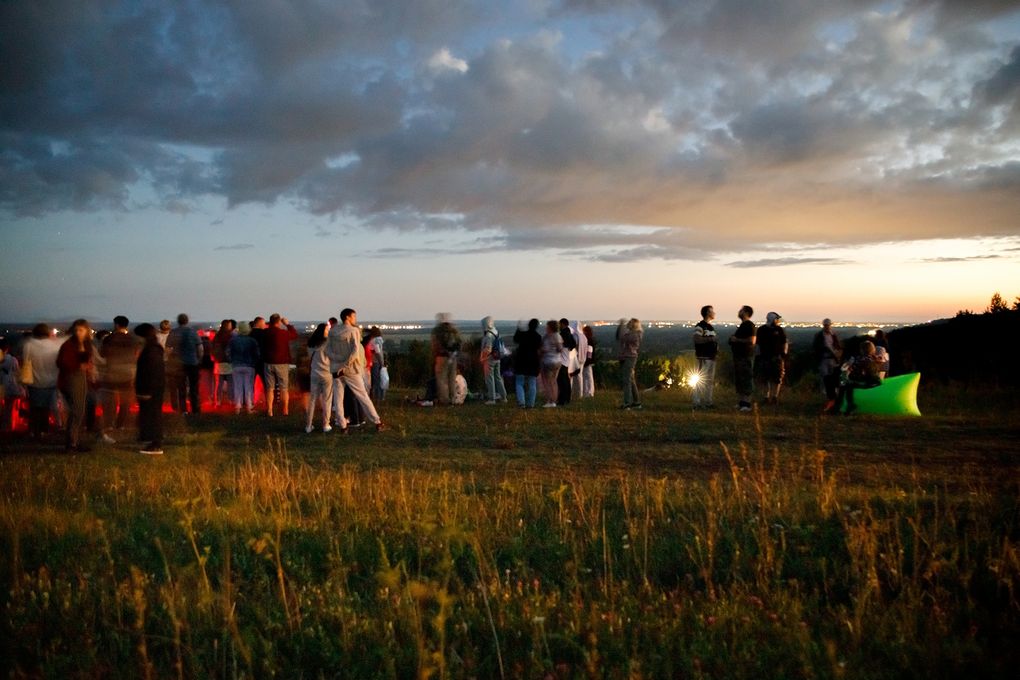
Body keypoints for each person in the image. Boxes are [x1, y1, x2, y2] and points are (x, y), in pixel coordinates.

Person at [326, 308, 385, 432]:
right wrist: (345, 364)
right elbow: (355, 351)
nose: (355, 319)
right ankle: (377, 421)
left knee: (338, 398)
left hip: (336, 369)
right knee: (362, 395)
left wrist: (337, 361)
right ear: (347, 317)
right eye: (354, 316)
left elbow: (328, 351)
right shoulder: (354, 331)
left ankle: (343, 425)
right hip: (351, 369)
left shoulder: (332, 331)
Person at [98, 315, 139, 443]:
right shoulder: (132, 339)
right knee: (125, 401)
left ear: (116, 325)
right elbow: (135, 354)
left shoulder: (109, 339)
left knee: (110, 401)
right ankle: (121, 424)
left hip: (112, 372)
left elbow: (102, 354)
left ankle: (109, 423)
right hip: (128, 373)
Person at [57, 319, 95, 452]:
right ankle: (71, 443)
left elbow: (86, 359)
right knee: (77, 411)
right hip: (71, 378)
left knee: (80, 411)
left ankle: (76, 441)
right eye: (77, 330)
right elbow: (61, 362)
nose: (79, 332)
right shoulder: (68, 345)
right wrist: (78, 366)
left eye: (82, 330)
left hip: (81, 378)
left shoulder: (85, 344)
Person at [20, 323, 61, 440]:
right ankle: (44, 430)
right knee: (46, 409)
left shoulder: (29, 345)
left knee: (35, 408)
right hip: (52, 381)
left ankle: (33, 431)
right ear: (48, 333)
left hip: (35, 381)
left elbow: (26, 362)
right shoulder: (54, 346)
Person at [134, 323, 166, 455]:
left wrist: (147, 390)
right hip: (153, 388)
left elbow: (152, 372)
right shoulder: (154, 349)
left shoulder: (151, 351)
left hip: (151, 389)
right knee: (151, 414)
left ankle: (156, 444)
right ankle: (150, 438)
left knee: (153, 415)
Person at [832, 340, 884, 415]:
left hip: (868, 383)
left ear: (862, 350)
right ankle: (848, 406)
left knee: (845, 386)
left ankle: (841, 407)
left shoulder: (861, 359)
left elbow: (852, 371)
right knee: (848, 385)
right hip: (876, 382)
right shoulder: (874, 359)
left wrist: (847, 373)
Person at [263, 313, 298, 417]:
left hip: (268, 362)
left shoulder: (265, 333)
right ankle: (285, 410)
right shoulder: (283, 333)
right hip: (282, 362)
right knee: (284, 388)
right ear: (278, 322)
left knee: (270, 388)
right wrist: (288, 324)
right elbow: (294, 335)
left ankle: (269, 410)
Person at [166, 313, 202, 414]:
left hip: (179, 364)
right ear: (187, 321)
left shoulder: (173, 332)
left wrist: (170, 359)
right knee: (194, 388)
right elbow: (200, 348)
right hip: (192, 362)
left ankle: (184, 410)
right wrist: (198, 359)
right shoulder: (193, 332)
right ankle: (195, 409)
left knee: (181, 388)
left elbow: (168, 349)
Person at [305, 323, 333, 433]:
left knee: (312, 399)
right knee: (327, 400)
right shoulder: (328, 343)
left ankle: (308, 425)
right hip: (327, 373)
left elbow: (309, 357)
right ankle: (326, 424)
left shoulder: (311, 343)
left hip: (314, 373)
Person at [755, 311, 788, 405]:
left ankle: (774, 397)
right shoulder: (762, 330)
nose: (778, 321)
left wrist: (783, 353)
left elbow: (784, 342)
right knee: (766, 378)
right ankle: (767, 397)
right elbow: (758, 344)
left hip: (776, 357)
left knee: (777, 378)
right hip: (765, 357)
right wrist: (758, 355)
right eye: (777, 319)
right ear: (773, 319)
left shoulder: (779, 330)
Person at [227, 321, 260, 414]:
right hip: (249, 365)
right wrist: (254, 362)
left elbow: (228, 352)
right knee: (248, 387)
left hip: (236, 365)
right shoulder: (252, 341)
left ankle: (237, 407)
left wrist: (231, 361)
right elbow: (257, 354)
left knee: (237, 386)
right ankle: (249, 407)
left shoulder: (233, 340)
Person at [729, 305, 756, 412]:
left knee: (746, 379)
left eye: (741, 310)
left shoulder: (749, 325)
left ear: (745, 312)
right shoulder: (742, 325)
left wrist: (736, 340)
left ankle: (747, 404)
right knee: (740, 380)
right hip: (739, 357)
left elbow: (752, 341)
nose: (739, 312)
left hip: (745, 357)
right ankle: (741, 403)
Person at [431, 313, 462, 406]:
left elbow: (435, 344)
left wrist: (435, 354)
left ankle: (444, 399)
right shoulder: (454, 330)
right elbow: (460, 343)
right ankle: (453, 398)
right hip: (453, 357)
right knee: (452, 378)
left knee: (441, 379)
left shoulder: (438, 331)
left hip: (442, 357)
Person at [813, 318, 842, 411]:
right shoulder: (819, 335)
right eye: (825, 325)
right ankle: (825, 393)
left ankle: (832, 394)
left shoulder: (833, 335)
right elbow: (816, 347)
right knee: (824, 376)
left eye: (828, 325)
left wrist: (836, 354)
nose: (827, 327)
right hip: (823, 359)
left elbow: (837, 345)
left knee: (832, 376)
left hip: (832, 359)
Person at [692, 305, 718, 409]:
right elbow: (696, 339)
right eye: (712, 311)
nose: (714, 313)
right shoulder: (700, 326)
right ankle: (696, 402)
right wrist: (711, 340)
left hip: (711, 358)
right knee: (701, 380)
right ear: (708, 313)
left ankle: (708, 402)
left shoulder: (710, 327)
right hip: (703, 358)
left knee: (709, 381)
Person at [513, 319, 542, 408]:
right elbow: (539, 348)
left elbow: (515, 339)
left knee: (519, 382)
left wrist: (519, 329)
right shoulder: (538, 337)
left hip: (521, 360)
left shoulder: (523, 334)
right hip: (533, 361)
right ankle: (531, 403)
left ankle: (521, 402)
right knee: (532, 382)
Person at [480, 316, 507, 405]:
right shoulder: (496, 332)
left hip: (489, 360)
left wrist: (482, 357)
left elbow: (488, 349)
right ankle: (503, 397)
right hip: (497, 358)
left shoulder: (488, 335)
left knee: (489, 379)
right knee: (498, 377)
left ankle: (492, 399)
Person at [619, 318, 643, 410]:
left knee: (627, 380)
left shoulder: (634, 335)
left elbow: (622, 338)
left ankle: (627, 403)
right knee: (631, 380)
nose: (628, 324)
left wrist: (621, 326)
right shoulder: (635, 334)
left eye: (629, 323)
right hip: (629, 357)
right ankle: (637, 402)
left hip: (629, 357)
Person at [0, 338, 23, 433]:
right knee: (9, 409)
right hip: (9, 387)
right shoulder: (13, 360)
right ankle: (8, 427)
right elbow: (17, 374)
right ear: (7, 348)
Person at [211, 319, 235, 408]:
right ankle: (231, 400)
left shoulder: (217, 336)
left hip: (218, 363)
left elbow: (213, 348)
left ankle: (217, 401)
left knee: (218, 384)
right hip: (229, 363)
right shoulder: (231, 337)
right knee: (230, 384)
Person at [540, 320, 564, 408]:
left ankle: (549, 400)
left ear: (550, 327)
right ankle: (554, 400)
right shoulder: (559, 336)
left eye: (547, 326)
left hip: (548, 361)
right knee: (554, 382)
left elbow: (544, 349)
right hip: (558, 361)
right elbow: (560, 349)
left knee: (547, 382)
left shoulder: (548, 337)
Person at [556, 318, 577, 406]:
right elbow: (573, 344)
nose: (559, 326)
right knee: (566, 381)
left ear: (563, 324)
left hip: (562, 361)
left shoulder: (563, 334)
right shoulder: (569, 334)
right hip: (566, 360)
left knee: (561, 381)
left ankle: (562, 399)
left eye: (560, 324)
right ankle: (567, 398)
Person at [568, 320, 588, 400]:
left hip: (575, 358)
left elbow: (574, 346)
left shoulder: (575, 336)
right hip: (583, 358)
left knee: (571, 376)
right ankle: (579, 394)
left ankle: (570, 393)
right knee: (580, 376)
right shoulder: (584, 336)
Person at [368, 327, 386, 402]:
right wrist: (382, 362)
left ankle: (375, 396)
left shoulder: (372, 340)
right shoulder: (378, 340)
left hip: (373, 361)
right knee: (378, 380)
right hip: (376, 362)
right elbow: (378, 352)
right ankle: (379, 397)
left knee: (374, 380)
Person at [581, 325, 596, 398]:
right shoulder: (589, 340)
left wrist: (587, 361)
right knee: (588, 377)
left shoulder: (589, 341)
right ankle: (588, 391)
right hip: (589, 361)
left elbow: (589, 352)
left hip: (588, 362)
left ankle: (589, 392)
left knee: (588, 377)